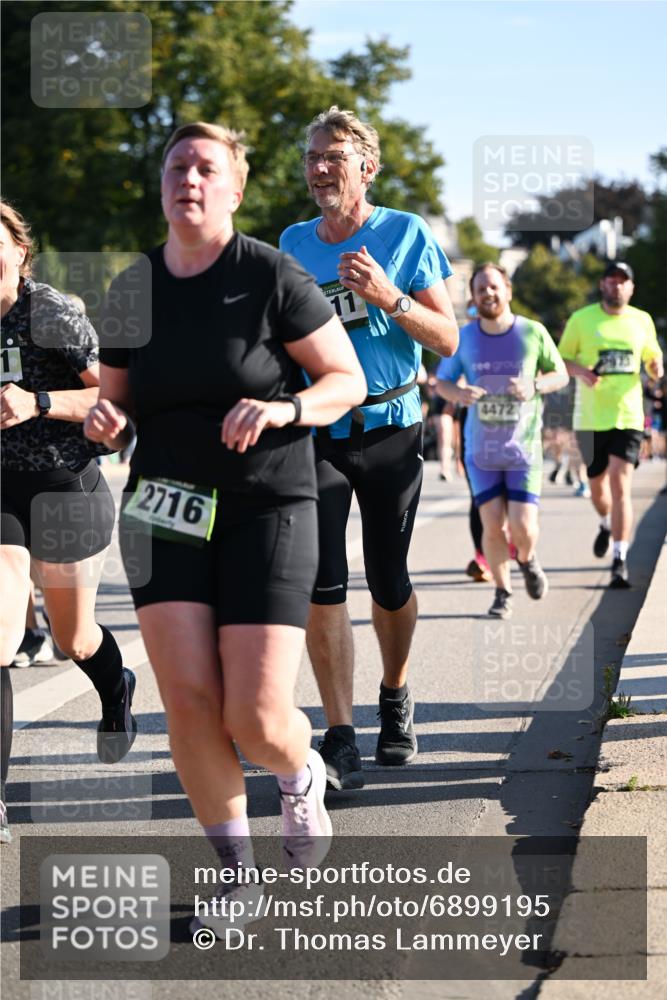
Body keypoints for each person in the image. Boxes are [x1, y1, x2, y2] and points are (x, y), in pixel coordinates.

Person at [84, 122, 366, 935]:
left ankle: (300, 768)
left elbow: (342, 380)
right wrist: (105, 420)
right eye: (177, 166)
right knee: (188, 701)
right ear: (162, 184)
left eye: (208, 168)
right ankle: (237, 875)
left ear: (235, 190)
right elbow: (116, 402)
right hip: (162, 507)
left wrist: (284, 407)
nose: (190, 179)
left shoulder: (271, 276)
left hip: (265, 505)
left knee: (254, 715)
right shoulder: (134, 286)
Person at [280, 106, 458, 790]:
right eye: (312, 158)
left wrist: (388, 297)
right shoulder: (294, 243)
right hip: (318, 431)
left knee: (388, 578)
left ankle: (395, 692)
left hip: (390, 428)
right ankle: (339, 731)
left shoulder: (404, 234)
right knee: (322, 584)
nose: (320, 168)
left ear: (367, 168)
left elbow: (445, 341)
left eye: (333, 157)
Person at [0, 200, 137, 845]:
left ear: (19, 254)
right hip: (1, 494)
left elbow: (113, 394)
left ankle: (115, 690)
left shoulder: (49, 312)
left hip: (64, 485)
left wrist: (38, 400)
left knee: (74, 635)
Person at [436, 263, 568, 620]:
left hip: (523, 450)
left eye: (493, 287)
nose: (487, 294)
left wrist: (535, 385)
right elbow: (441, 382)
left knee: (524, 527)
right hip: (481, 452)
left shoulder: (533, 332)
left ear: (507, 290)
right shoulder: (463, 337)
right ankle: (502, 591)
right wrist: (459, 392)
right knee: (492, 525)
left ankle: (526, 558)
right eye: (480, 289)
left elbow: (561, 374)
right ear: (475, 298)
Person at [559, 262, 664, 587]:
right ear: (603, 285)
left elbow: (653, 364)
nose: (617, 286)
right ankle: (605, 522)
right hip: (590, 418)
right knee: (597, 489)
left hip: (628, 415)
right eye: (611, 281)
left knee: (621, 486)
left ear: (631, 288)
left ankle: (619, 558)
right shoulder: (582, 319)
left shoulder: (642, 320)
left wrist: (656, 367)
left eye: (623, 282)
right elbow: (561, 361)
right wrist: (583, 372)